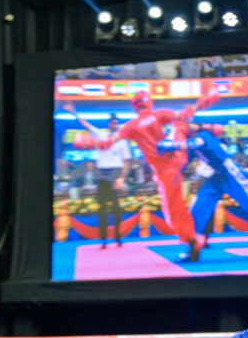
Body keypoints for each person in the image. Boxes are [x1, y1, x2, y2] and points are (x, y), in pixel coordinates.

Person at [76, 88, 219, 262]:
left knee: (173, 211)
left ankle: (192, 242)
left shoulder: (131, 126)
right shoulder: (159, 114)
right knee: (179, 125)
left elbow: (108, 142)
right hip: (178, 156)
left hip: (166, 171)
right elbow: (183, 116)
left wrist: (92, 144)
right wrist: (200, 105)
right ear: (148, 102)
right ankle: (201, 134)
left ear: (134, 107)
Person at [157, 126, 248, 251]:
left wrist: (172, 145)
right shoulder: (195, 137)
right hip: (214, 177)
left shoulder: (204, 135)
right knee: (198, 207)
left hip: (229, 173)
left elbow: (194, 143)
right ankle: (194, 247)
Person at [62, 105, 130, 248]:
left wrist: (122, 178)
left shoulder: (122, 141)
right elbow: (86, 124)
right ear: (109, 124)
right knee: (102, 208)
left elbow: (126, 161)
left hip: (115, 172)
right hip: (101, 172)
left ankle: (118, 238)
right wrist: (74, 112)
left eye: (116, 123)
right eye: (112, 123)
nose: (114, 125)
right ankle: (104, 240)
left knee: (116, 208)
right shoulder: (100, 135)